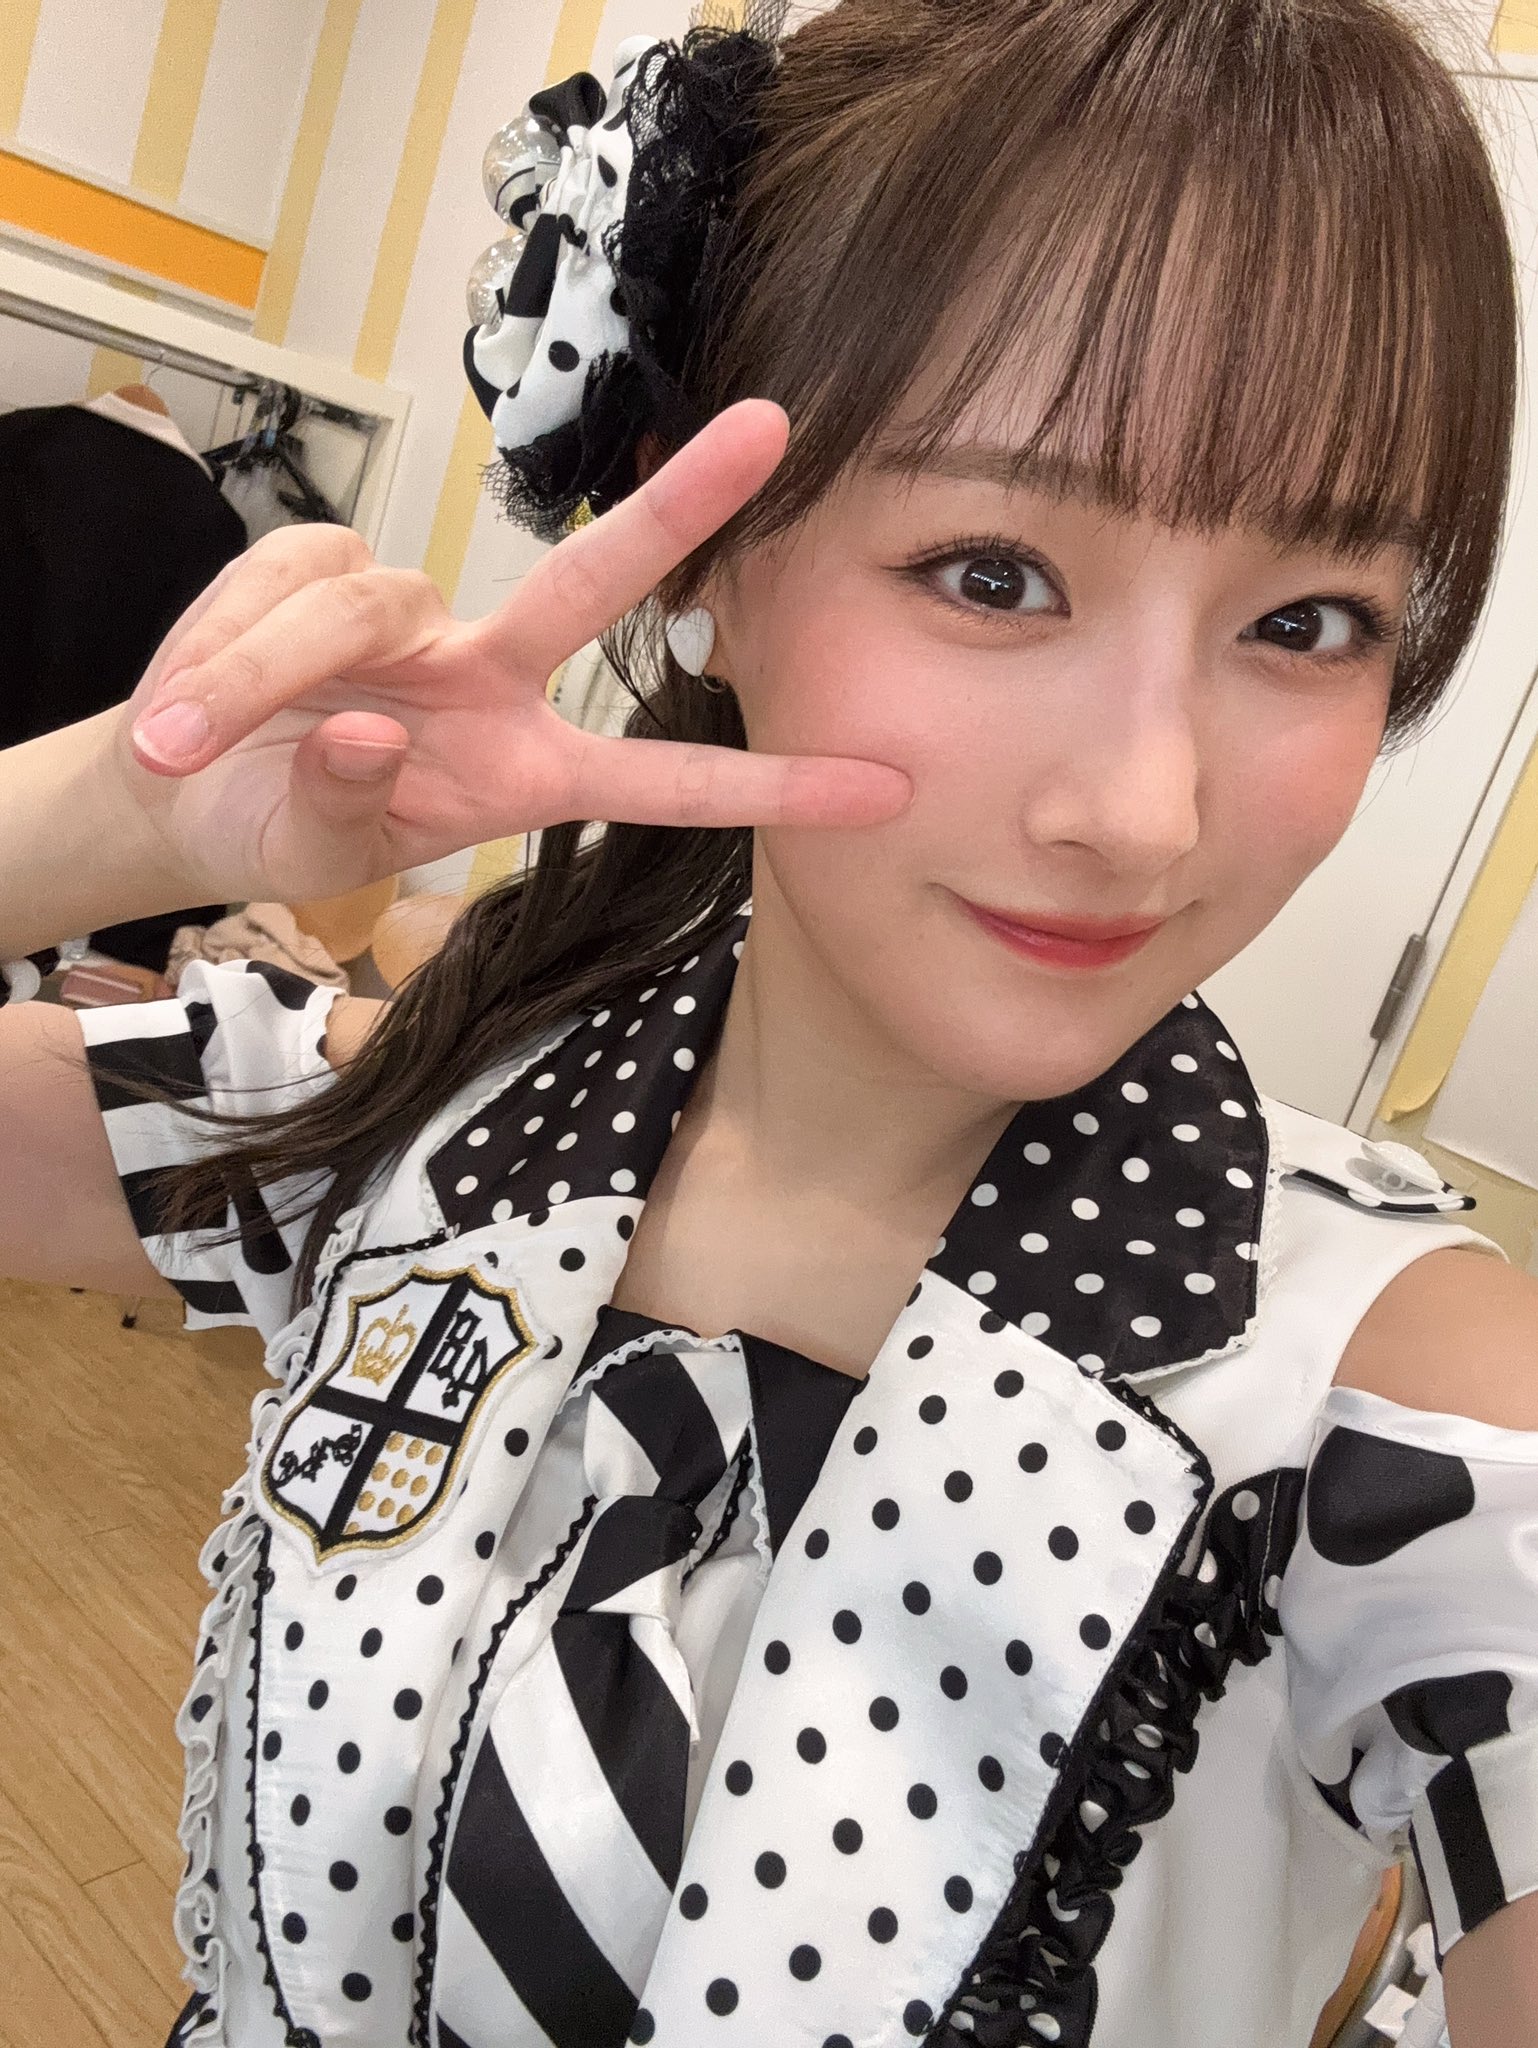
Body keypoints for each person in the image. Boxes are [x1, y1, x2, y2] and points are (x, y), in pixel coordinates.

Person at [2, 1, 1536, 2044]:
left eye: (1304, 623)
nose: (1143, 812)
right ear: (705, 551)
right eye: (993, 573)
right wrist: (116, 810)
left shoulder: (1392, 1420)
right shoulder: (424, 1121)